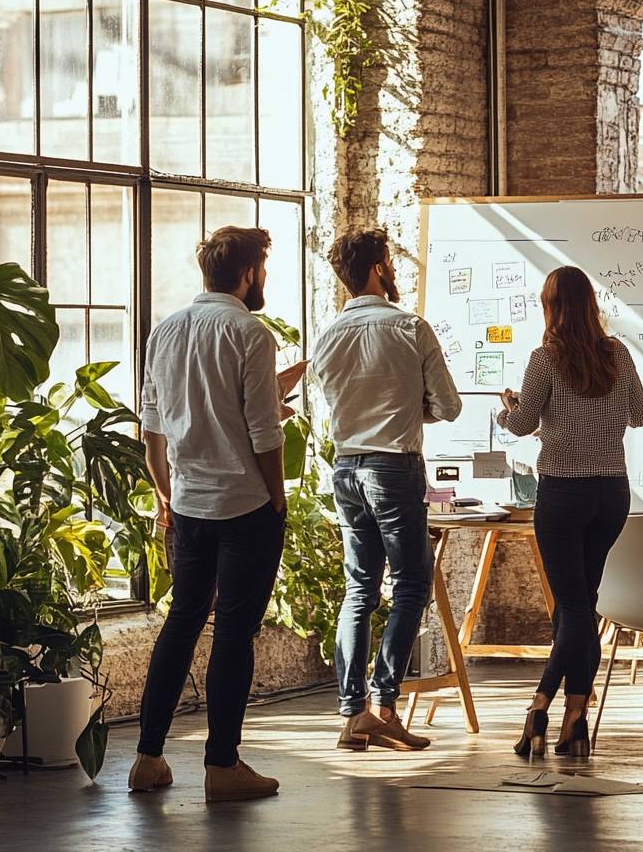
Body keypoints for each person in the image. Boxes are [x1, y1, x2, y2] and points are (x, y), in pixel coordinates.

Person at [129, 227, 288, 803]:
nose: (263, 279)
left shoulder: (166, 329)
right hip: (245, 504)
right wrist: (278, 495)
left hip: (189, 505)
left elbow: (151, 429)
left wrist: (166, 495)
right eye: (263, 270)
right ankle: (222, 765)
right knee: (234, 633)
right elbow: (264, 432)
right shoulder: (250, 332)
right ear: (247, 273)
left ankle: (147, 759)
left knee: (181, 624)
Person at [310, 227, 462, 752]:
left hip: (346, 468)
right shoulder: (409, 327)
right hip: (394, 469)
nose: (393, 269)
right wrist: (409, 407)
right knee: (412, 586)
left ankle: (352, 716)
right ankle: (385, 705)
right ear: (378, 267)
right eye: (390, 261)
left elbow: (332, 402)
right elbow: (449, 407)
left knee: (359, 590)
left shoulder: (327, 336)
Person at [498, 265, 643, 759]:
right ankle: (574, 720)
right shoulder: (618, 354)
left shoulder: (545, 359)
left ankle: (539, 708)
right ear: (590, 305)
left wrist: (509, 407)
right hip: (612, 493)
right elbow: (642, 414)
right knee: (580, 606)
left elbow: (522, 424)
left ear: (552, 308)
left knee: (575, 610)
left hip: (564, 495)